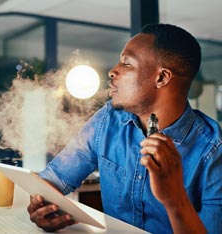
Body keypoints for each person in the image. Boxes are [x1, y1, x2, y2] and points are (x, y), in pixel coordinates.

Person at [27, 23, 222, 233]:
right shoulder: (108, 119)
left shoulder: (214, 151)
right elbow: (54, 178)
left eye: (126, 64)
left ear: (162, 77)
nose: (112, 71)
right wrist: (42, 207)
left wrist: (174, 198)